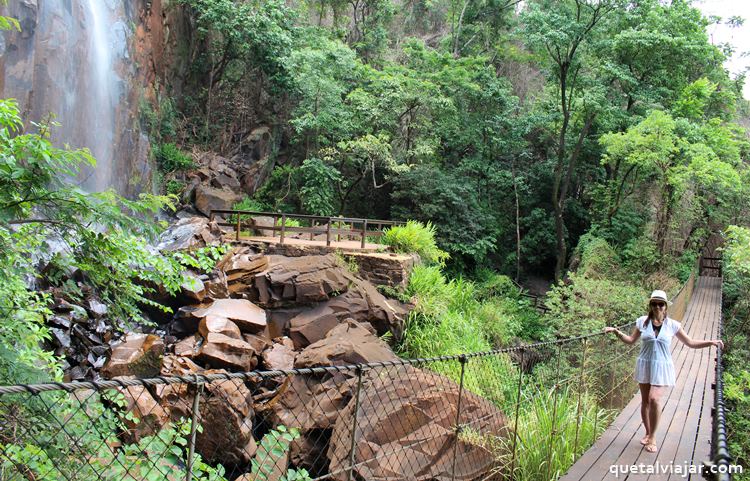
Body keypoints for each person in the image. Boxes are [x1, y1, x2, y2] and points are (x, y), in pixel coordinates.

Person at [603, 290, 724, 453]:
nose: (657, 306)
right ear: (650, 305)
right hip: (645, 364)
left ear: (666, 306)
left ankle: (652, 437)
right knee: (645, 401)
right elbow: (631, 341)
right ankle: (647, 432)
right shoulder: (642, 322)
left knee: (654, 399)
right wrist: (617, 332)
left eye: (661, 304)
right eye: (654, 303)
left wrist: (710, 342)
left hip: (662, 366)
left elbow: (690, 342)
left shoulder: (673, 325)